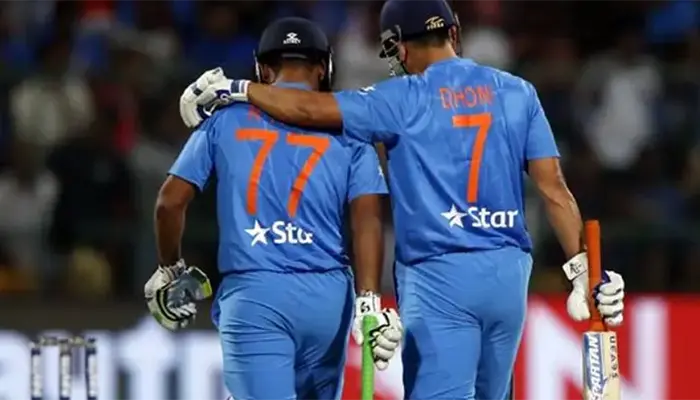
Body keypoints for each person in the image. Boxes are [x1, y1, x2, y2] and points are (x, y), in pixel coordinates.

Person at [179, 2, 627, 400]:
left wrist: (235, 90)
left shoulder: (399, 98)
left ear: (398, 47)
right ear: (453, 33)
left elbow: (307, 110)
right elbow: (554, 189)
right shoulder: (517, 92)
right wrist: (584, 270)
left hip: (439, 277)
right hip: (508, 274)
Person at [144, 17, 403, 400]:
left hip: (255, 296)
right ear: (324, 69)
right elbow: (368, 217)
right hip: (328, 301)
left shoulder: (225, 119)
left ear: (263, 69)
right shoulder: (350, 128)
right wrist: (369, 297)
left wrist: (171, 269)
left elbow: (169, 203)